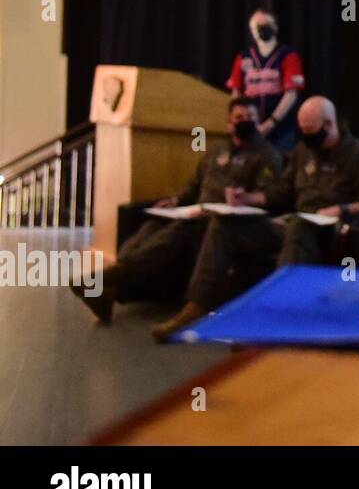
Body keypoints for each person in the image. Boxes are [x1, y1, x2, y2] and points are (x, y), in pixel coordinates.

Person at [150, 95, 359, 342]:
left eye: (311, 131)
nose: (306, 136)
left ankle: (280, 317)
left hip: (326, 230)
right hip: (293, 223)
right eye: (303, 130)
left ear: (328, 124)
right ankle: (196, 308)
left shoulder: (358, 155)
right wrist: (248, 199)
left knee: (297, 226)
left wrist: (341, 209)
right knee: (224, 225)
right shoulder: (303, 151)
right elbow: (281, 192)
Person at [68, 98, 281, 325]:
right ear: (229, 123)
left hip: (225, 222)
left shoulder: (267, 155)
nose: (245, 122)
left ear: (258, 122)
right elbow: (194, 185)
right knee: (152, 225)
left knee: (175, 234)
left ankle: (104, 279)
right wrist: (176, 200)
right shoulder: (217, 150)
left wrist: (244, 198)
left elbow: (268, 197)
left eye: (251, 118)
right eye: (239, 118)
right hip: (195, 211)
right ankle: (108, 288)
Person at [226, 8, 306, 152]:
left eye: (266, 24)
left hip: (282, 129)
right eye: (257, 26)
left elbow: (291, 93)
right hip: (250, 128)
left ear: (275, 26)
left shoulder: (288, 55)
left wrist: (271, 123)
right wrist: (239, 120)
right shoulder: (243, 57)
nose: (261, 29)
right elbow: (236, 93)